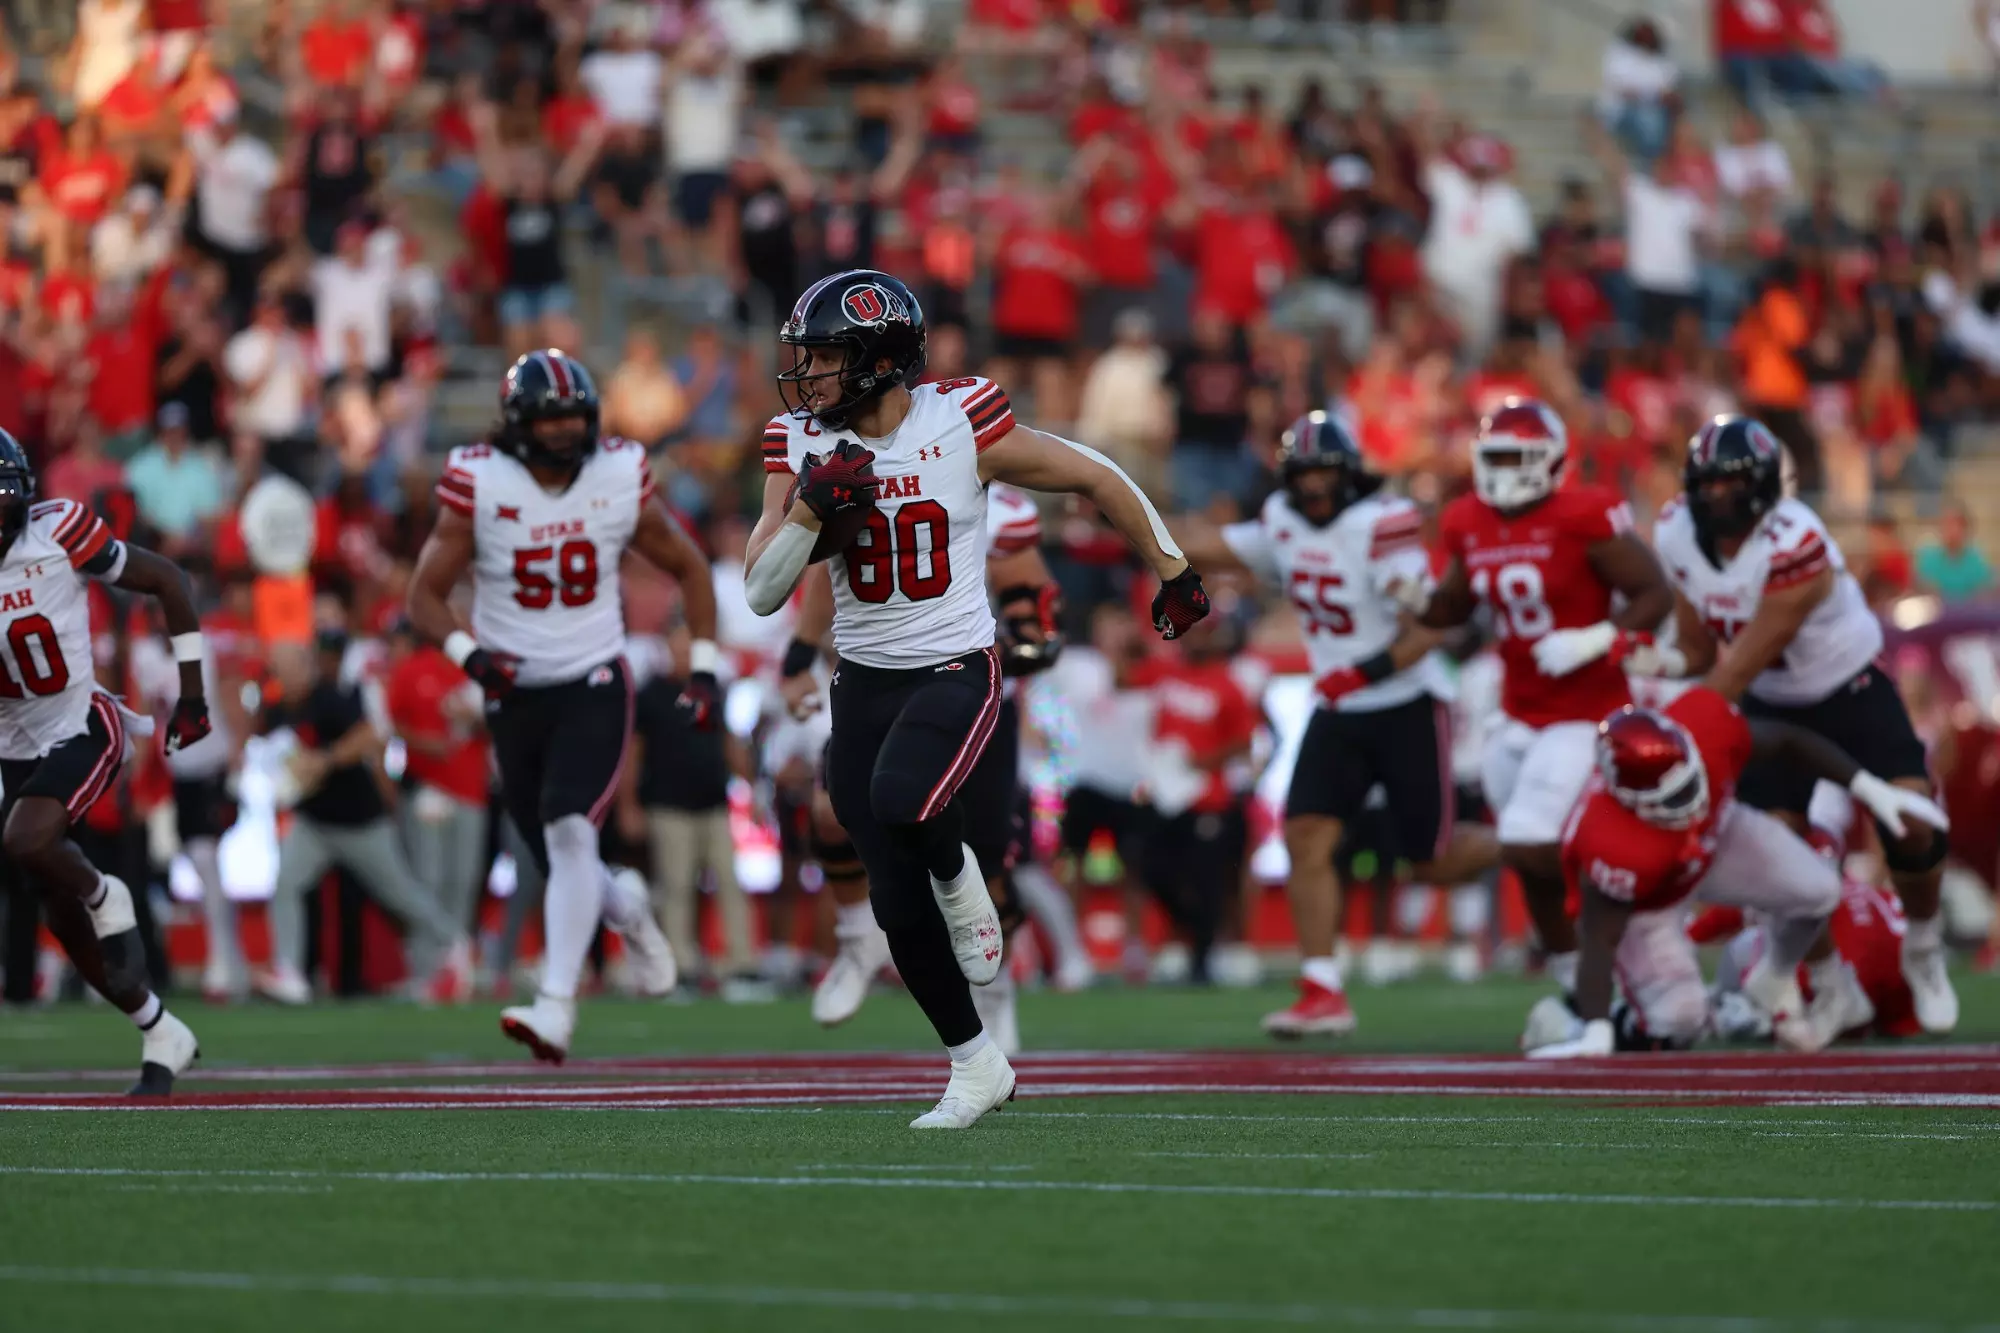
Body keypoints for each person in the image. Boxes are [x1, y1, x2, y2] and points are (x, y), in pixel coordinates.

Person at [745, 269, 1208, 1128]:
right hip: (863, 681)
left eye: (826, 358)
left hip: (956, 664)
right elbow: (762, 590)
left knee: (900, 800)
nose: (807, 376)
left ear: (879, 362)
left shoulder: (959, 420)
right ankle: (974, 1062)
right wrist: (810, 512)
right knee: (889, 895)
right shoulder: (800, 443)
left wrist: (1171, 564)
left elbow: (1094, 474)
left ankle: (966, 883)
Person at [408, 349, 719, 1063]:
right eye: (549, 421)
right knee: (556, 851)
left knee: (572, 832)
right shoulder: (481, 480)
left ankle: (555, 1004)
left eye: (574, 418)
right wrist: (472, 657)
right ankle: (630, 911)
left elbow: (689, 565)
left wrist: (703, 669)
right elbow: (424, 595)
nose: (563, 433)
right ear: (517, 424)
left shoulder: (616, 471)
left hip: (593, 678)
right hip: (514, 690)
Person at [1174, 413, 1498, 1037]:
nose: (1316, 487)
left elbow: (1433, 629)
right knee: (1305, 838)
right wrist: (1127, 516)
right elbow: (1212, 546)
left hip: (1405, 699)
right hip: (1340, 705)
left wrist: (1367, 671)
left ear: (1350, 476)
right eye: (1306, 475)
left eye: (1326, 473)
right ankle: (1322, 988)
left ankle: (1526, 847)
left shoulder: (1384, 524)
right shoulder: (1282, 520)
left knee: (1429, 862)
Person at [1633, 416, 1959, 1033]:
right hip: (1770, 696)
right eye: (1705, 485)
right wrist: (1658, 659)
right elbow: (1702, 651)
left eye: (1727, 486)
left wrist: (1669, 735)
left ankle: (1922, 944)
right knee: (1779, 859)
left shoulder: (1796, 544)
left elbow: (1737, 668)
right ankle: (1833, 985)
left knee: (1912, 827)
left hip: (1847, 688)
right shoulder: (1677, 530)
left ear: (1759, 488)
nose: (1714, 499)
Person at [781, 477, 1077, 1052]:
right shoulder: (864, 478)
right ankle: (857, 939)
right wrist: (799, 653)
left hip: (967, 693)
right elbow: (826, 569)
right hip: (877, 688)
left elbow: (1035, 610)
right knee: (832, 811)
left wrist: (1022, 638)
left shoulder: (998, 507)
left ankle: (993, 997)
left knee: (985, 867)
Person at [1522, 686, 1945, 1058]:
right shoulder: (1609, 840)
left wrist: (1870, 789)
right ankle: (1577, 1024)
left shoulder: (1704, 728)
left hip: (1722, 835)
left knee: (1818, 889)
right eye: (1674, 796)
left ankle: (1773, 977)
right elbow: (1599, 938)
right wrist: (1597, 1030)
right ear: (1627, 798)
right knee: (1680, 1020)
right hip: (1653, 898)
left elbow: (1788, 743)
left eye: (1691, 782)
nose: (1691, 800)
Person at [1419, 398, 1674, 1005]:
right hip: (1517, 715)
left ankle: (1616, 970)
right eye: (1496, 457)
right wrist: (1413, 597)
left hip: (1586, 716)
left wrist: (1597, 636)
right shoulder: (1467, 521)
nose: (1505, 470)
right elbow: (1453, 607)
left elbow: (1654, 595)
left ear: (1553, 461)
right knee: (1535, 864)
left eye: (1518, 457)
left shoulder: (1583, 513)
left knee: (1529, 838)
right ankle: (1572, 981)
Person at [0, 429, 208, 1094]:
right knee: (57, 915)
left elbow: (168, 578)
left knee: (27, 839)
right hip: (13, 745)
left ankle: (107, 890)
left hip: (83, 723)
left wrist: (194, 697)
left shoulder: (59, 528)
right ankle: (161, 1029)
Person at [257, 633, 474, 1004]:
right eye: (278, 669)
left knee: (399, 894)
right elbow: (277, 755)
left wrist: (326, 760)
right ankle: (289, 970)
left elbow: (371, 736)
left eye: (287, 668)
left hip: (358, 820)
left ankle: (454, 942)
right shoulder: (279, 708)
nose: (282, 675)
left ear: (304, 668)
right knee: (286, 883)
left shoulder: (329, 699)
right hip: (315, 822)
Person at [1915, 500, 1993, 602]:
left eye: (1956, 524)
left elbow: (1983, 593)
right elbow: (1924, 592)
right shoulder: (1927, 558)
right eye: (1946, 524)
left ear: (1965, 528)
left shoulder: (1977, 559)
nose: (1951, 530)